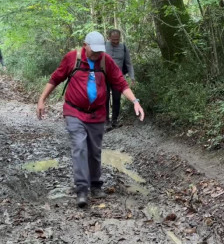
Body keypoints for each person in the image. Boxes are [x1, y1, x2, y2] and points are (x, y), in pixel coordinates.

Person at [36, 31, 144, 208]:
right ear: (84, 45)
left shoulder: (104, 60)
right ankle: (82, 189)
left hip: (97, 114)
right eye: (93, 50)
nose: (96, 53)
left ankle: (95, 184)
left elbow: (120, 82)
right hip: (74, 112)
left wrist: (135, 101)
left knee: (94, 151)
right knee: (79, 147)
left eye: (99, 50)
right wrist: (42, 99)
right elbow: (56, 78)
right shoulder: (73, 58)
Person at [105, 29, 135, 129]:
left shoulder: (123, 47)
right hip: (105, 76)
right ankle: (105, 121)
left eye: (117, 39)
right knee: (104, 98)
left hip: (118, 77)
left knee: (117, 98)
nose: (115, 41)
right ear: (108, 38)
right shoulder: (103, 46)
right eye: (113, 39)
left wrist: (132, 77)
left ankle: (114, 120)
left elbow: (128, 63)